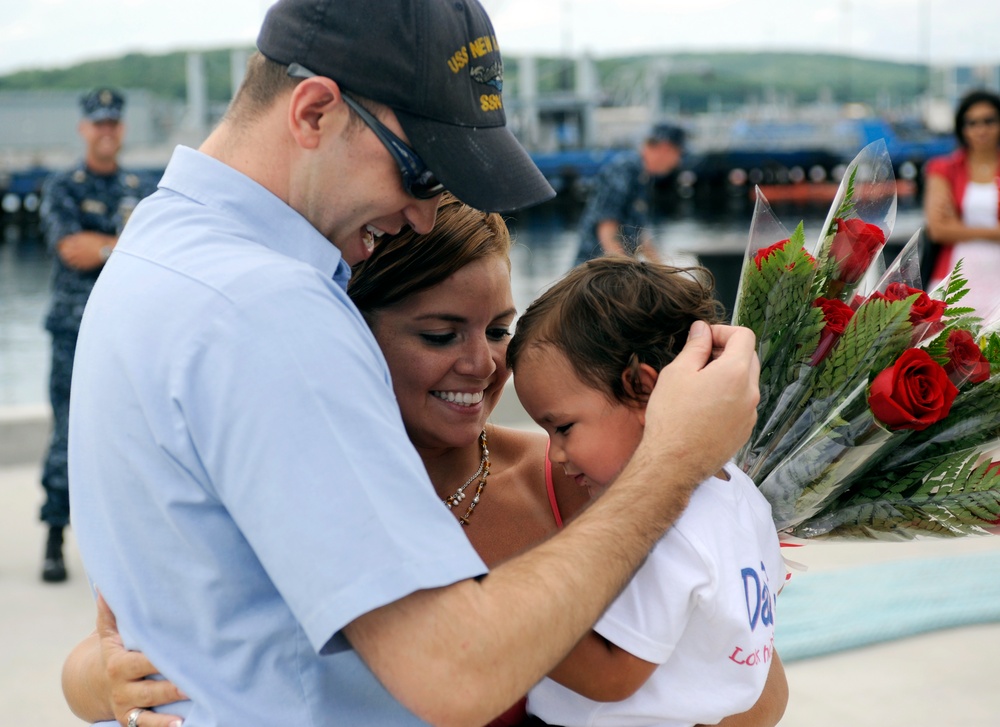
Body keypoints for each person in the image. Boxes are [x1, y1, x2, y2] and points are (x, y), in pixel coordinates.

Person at [66, 1, 761, 725]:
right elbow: (453, 672)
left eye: (499, 329)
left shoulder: (154, 254)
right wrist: (675, 458)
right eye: (422, 172)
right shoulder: (268, 309)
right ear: (313, 113)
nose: (427, 215)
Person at [508, 258, 785, 727]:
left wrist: (493, 614)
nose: (553, 454)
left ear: (642, 389)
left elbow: (612, 673)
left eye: (563, 427)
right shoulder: (741, 493)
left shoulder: (659, 525)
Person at [36, 86, 155, 583]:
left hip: (129, 330)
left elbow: (157, 251)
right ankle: (53, 538)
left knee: (133, 436)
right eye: (98, 122)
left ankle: (128, 546)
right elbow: (70, 251)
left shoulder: (142, 187)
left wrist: (104, 247)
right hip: (73, 329)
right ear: (85, 129)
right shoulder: (64, 186)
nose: (107, 130)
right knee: (67, 432)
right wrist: (124, 246)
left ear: (122, 128)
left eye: (114, 122)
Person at [923, 88, 1000, 319]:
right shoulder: (943, 168)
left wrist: (959, 226)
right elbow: (938, 230)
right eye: (972, 123)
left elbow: (949, 228)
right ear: (961, 127)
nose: (981, 130)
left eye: (989, 121)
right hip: (955, 277)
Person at [573, 122, 685, 267]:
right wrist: (628, 272)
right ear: (665, 148)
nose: (678, 162)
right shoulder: (623, 170)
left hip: (615, 271)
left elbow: (641, 236)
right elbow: (607, 229)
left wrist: (666, 272)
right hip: (595, 276)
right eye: (679, 154)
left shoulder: (643, 177)